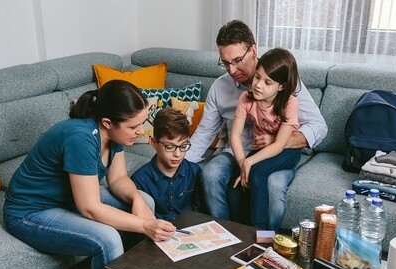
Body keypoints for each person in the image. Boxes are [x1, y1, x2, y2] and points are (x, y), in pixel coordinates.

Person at [3, 80, 176, 269]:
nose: (140, 131)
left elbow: (118, 179)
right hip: (29, 212)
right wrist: (144, 225)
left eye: (141, 123)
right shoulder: (80, 137)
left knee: (145, 200)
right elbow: (90, 208)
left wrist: (136, 199)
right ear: (107, 122)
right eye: (133, 127)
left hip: (66, 200)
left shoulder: (114, 134)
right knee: (107, 239)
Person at [185, 20, 328, 231]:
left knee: (274, 186)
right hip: (236, 152)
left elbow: (319, 126)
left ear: (253, 50)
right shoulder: (221, 88)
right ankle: (227, 237)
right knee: (211, 175)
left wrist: (281, 140)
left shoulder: (283, 80)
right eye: (225, 63)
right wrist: (178, 163)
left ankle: (266, 243)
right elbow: (205, 132)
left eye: (237, 61)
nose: (232, 70)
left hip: (275, 152)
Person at [231, 48, 302, 229]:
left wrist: (250, 163)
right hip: (260, 149)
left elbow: (279, 145)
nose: (258, 85)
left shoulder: (289, 103)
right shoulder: (246, 99)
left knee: (258, 172)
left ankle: (259, 234)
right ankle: (240, 232)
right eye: (257, 77)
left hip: (287, 151)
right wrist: (242, 163)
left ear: (282, 86)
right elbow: (235, 135)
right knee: (238, 183)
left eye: (267, 82)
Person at [131, 107, 202, 221]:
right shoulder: (140, 180)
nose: (178, 154)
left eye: (183, 146)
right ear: (154, 143)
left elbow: (200, 212)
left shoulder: (194, 171)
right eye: (170, 147)